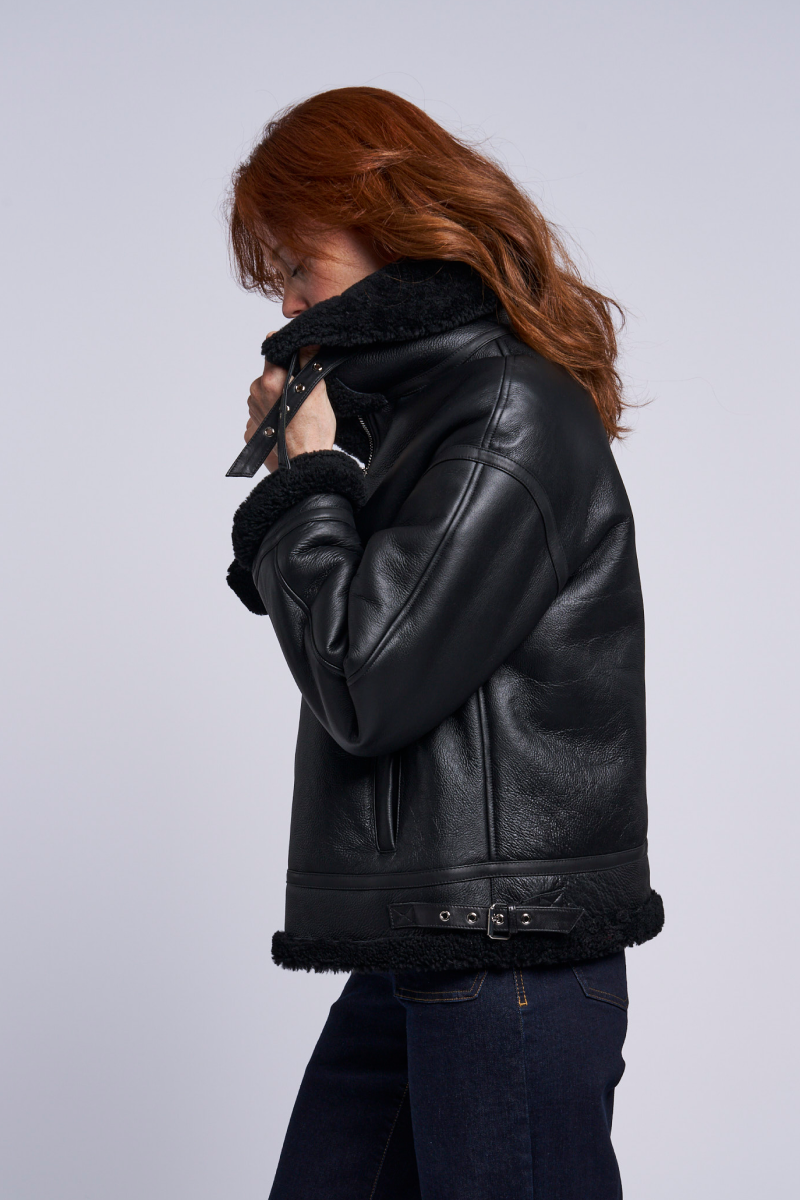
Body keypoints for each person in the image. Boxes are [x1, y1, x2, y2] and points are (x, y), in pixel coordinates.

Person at [225, 86, 663, 1200]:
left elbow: (363, 681)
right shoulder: (418, 420)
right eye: (273, 277)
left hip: (506, 951)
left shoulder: (505, 411)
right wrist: (317, 480)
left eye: (299, 265)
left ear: (389, 224)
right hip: (425, 942)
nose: (286, 302)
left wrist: (310, 480)